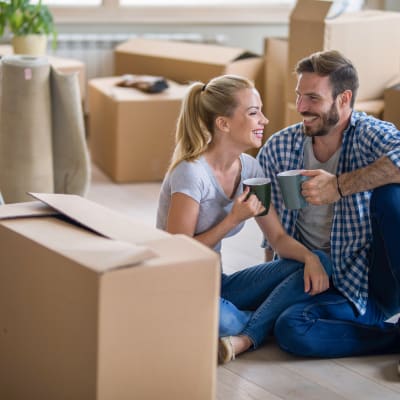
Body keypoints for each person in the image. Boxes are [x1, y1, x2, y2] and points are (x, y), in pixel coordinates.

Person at [156, 74, 332, 364]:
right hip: (179, 289)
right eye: (253, 113)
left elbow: (277, 238)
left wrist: (311, 259)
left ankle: (246, 336)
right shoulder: (191, 172)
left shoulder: (250, 168)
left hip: (218, 284)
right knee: (223, 321)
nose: (264, 119)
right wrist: (231, 220)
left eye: (260, 111)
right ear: (223, 123)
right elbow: (179, 251)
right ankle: (264, 323)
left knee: (317, 263)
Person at [257, 50, 400, 359]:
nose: (301, 108)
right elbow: (272, 234)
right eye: (298, 96)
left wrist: (339, 185)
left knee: (392, 196)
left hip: (370, 280)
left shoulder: (369, 136)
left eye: (312, 98)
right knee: (290, 328)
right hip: (312, 276)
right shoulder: (279, 148)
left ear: (344, 99)